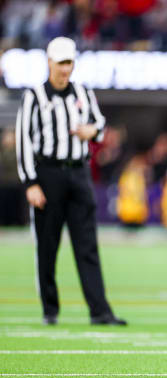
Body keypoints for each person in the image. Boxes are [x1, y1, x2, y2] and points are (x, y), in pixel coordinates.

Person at [15, 37, 126, 326]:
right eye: (61, 63)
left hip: (79, 173)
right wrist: (30, 183)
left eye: (70, 63)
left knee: (87, 244)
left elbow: (100, 125)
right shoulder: (35, 96)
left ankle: (99, 310)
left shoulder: (82, 92)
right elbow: (24, 141)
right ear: (49, 62)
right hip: (48, 175)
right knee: (47, 245)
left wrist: (92, 131)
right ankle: (50, 309)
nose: (66, 69)